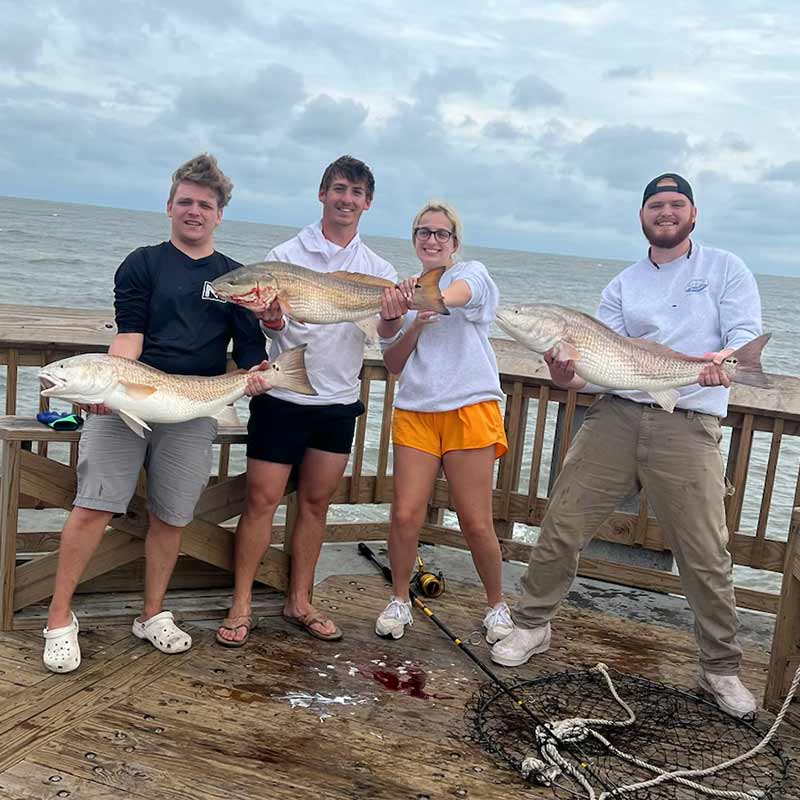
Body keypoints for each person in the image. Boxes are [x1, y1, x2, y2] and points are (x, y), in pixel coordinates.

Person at [491, 173, 762, 720]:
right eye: (656, 205)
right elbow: (591, 375)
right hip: (614, 415)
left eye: (676, 204)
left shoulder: (725, 269)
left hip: (687, 422)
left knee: (706, 552)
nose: (666, 212)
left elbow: (742, 335)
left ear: (692, 214)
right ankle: (530, 625)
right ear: (642, 216)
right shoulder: (622, 284)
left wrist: (724, 366)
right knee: (561, 525)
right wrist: (562, 371)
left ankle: (720, 667)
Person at [42, 154, 271, 673]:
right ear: (169, 206)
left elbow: (251, 350)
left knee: (172, 516)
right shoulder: (141, 263)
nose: (194, 211)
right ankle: (59, 619)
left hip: (195, 406)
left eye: (205, 205)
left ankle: (151, 614)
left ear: (219, 215)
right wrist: (109, 384)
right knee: (92, 507)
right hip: (128, 399)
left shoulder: (233, 278)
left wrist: (259, 378)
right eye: (185, 202)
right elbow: (130, 334)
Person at [216, 155, 407, 646]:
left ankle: (299, 600)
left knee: (316, 504)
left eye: (356, 193)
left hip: (338, 401)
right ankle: (240, 604)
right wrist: (272, 320)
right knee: (260, 502)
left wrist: (391, 316)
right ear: (322, 193)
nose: (346, 199)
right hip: (283, 396)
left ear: (367, 203)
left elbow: (384, 335)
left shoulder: (377, 270)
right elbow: (272, 326)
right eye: (338, 189)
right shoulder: (284, 255)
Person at [373, 200, 512, 644]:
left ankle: (497, 606)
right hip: (416, 410)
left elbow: (462, 295)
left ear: (455, 242)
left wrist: (421, 301)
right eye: (424, 233)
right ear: (414, 239)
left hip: (469, 408)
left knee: (475, 520)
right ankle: (398, 600)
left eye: (441, 233)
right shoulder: (403, 292)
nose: (432, 240)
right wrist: (409, 320)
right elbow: (393, 360)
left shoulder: (471, 273)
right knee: (405, 514)